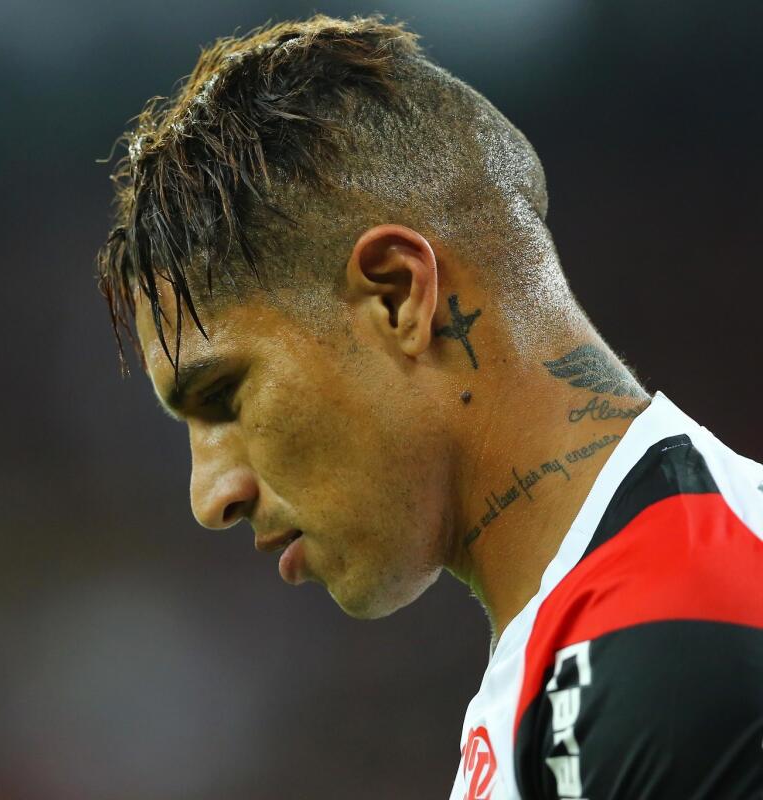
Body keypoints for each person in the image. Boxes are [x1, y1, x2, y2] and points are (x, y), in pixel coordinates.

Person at [93, 13, 763, 800]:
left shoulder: (673, 648)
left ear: (398, 296)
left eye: (224, 396)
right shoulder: (596, 651)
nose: (212, 497)